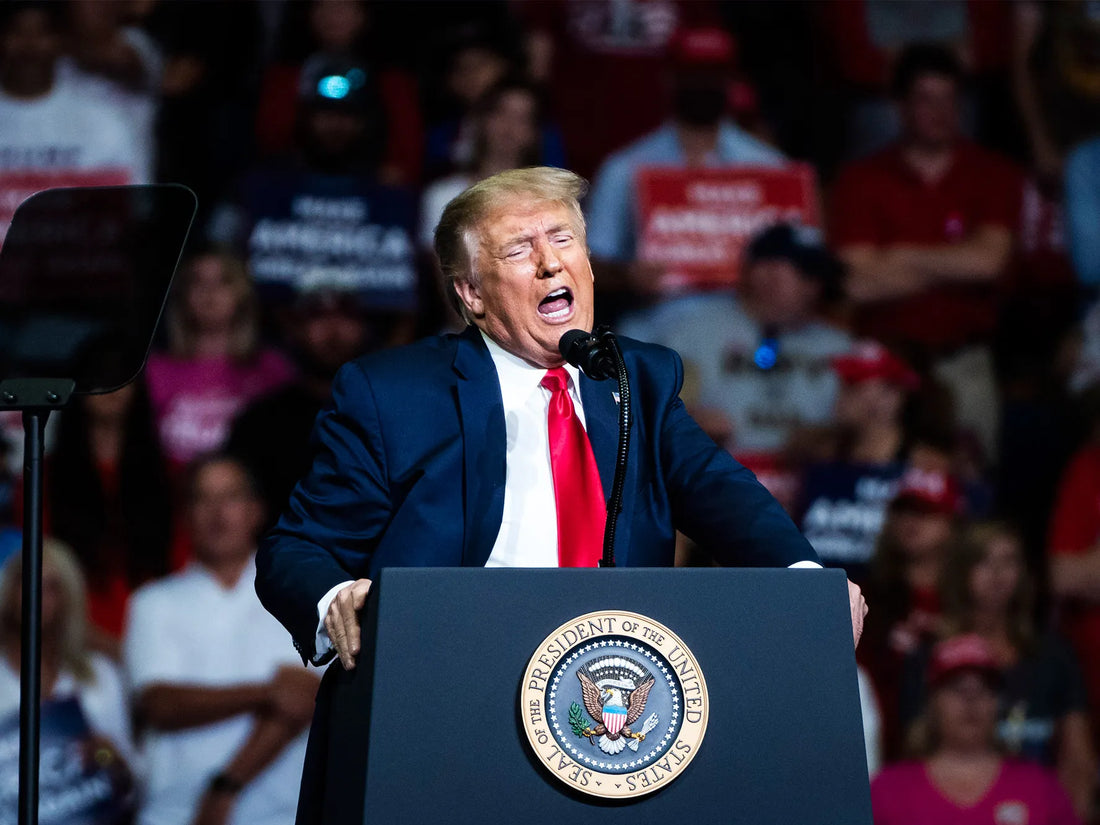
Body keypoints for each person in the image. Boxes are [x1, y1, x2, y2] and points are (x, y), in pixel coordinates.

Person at [254, 166, 866, 817]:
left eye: (564, 240)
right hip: (443, 707)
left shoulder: (638, 380)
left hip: (608, 723)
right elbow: (295, 548)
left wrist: (807, 582)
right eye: (520, 249)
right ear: (471, 292)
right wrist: (333, 597)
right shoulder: (395, 393)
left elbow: (720, 490)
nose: (551, 264)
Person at [829, 43, 1023, 462]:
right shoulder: (861, 179)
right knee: (878, 481)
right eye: (926, 99)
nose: (941, 111)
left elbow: (988, 262)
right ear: (898, 105)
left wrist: (894, 255)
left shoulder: (993, 173)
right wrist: (954, 260)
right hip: (881, 370)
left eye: (950, 99)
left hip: (963, 362)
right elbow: (854, 281)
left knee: (969, 487)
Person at [124, 455, 318, 825]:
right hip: (171, 814)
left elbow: (304, 698)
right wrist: (266, 692)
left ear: (256, 510)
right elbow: (159, 704)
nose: (217, 512)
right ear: (187, 515)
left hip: (280, 814)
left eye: (230, 497)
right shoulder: (152, 602)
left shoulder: (294, 596)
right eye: (202, 499)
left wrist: (227, 785)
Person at [899, 522, 1096, 820]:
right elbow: (915, 750)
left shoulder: (1052, 656)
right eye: (983, 561)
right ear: (961, 571)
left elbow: (1078, 759)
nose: (997, 574)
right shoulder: (928, 658)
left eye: (1009, 561)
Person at [584, 25, 786, 302]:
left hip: (752, 321)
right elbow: (591, 263)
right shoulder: (624, 168)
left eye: (714, 76)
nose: (703, 85)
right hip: (659, 324)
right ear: (670, 78)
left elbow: (802, 260)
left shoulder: (770, 168)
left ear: (731, 82)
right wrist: (628, 275)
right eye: (693, 75)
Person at [871, 634, 1080, 825]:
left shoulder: (1041, 789)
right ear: (932, 702)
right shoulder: (887, 793)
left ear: (998, 702)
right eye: (957, 688)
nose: (971, 700)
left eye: (983, 689)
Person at [226, 286, 373, 523]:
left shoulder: (392, 418)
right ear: (292, 328)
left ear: (365, 327)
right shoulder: (259, 423)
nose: (333, 330)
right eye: (317, 315)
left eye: (346, 315)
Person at [47, 380, 173, 652]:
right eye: (100, 375)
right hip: (72, 649)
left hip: (164, 645)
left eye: (124, 376)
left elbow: (185, 571)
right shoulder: (41, 479)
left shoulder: (173, 477)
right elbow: (38, 577)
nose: (113, 386)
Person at [145, 248, 296, 472]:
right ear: (182, 294)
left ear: (243, 293)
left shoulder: (272, 368)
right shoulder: (155, 370)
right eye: (198, 282)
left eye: (223, 281)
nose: (209, 292)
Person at [0, 539, 136, 769]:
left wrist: (103, 754)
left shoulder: (99, 674)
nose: (37, 594)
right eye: (26, 580)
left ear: (68, 597)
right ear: (8, 590)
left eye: (51, 587)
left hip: (89, 801)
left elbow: (132, 778)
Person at [799, 342, 921, 585]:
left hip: (885, 600)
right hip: (817, 592)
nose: (840, 395)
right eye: (843, 384)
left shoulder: (923, 468)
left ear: (891, 398)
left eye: (853, 385)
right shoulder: (819, 458)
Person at [860, 466, 962, 758]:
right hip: (876, 748)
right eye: (903, 511)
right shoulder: (865, 595)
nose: (911, 521)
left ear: (953, 522)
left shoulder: (970, 595)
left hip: (949, 754)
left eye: (926, 511)